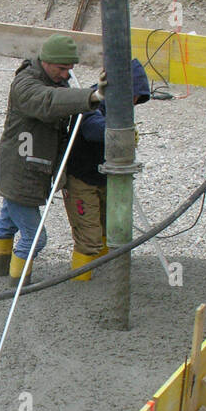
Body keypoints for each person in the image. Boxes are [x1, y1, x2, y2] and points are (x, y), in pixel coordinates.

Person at [0, 33, 104, 280]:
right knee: (35, 237)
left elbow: (59, 98)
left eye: (70, 69)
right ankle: (18, 281)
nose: (67, 75)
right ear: (46, 61)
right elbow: (48, 102)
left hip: (29, 170)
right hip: (20, 172)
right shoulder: (25, 85)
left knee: (7, 222)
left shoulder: (57, 82)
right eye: (62, 69)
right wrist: (91, 97)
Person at [64, 58, 152, 279]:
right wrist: (121, 133)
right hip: (82, 180)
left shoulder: (121, 108)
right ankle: (80, 283)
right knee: (89, 237)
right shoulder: (91, 102)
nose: (133, 102)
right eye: (131, 96)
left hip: (106, 179)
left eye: (137, 99)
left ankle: (101, 277)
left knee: (108, 229)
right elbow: (93, 129)